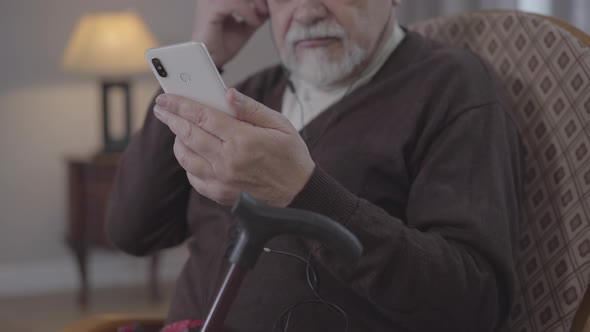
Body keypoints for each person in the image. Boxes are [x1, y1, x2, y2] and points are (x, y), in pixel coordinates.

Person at [107, 0, 523, 331]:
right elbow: (133, 230)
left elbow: (474, 305)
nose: (306, 11)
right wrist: (205, 53)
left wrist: (302, 191)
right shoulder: (247, 97)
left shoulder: (452, 87)